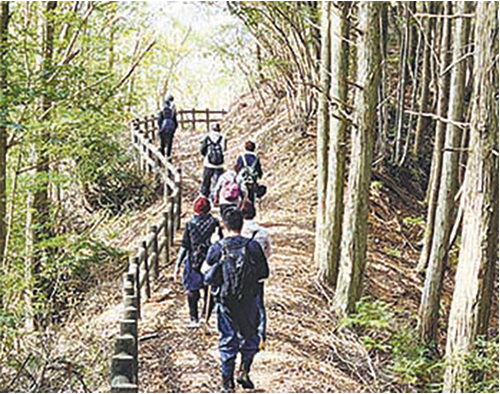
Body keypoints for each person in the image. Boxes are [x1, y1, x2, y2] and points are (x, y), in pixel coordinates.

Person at [203, 208, 269, 392]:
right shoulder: (253, 246)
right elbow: (264, 274)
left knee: (227, 339)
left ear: (223, 226)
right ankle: (244, 370)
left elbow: (205, 272)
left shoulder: (217, 247)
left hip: (225, 302)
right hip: (249, 301)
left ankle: (227, 383)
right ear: (242, 224)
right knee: (250, 337)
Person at [174, 195, 222, 327]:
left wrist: (178, 264)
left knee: (192, 290)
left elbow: (185, 246)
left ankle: (193, 319)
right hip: (210, 260)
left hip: (193, 260)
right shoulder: (215, 222)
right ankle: (204, 317)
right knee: (209, 289)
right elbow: (220, 242)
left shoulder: (190, 224)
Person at [240, 200, 271, 350]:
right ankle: (261, 335)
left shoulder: (238, 232)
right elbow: (269, 253)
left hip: (242, 273)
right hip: (258, 273)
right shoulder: (263, 233)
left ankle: (244, 333)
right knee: (259, 304)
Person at [200, 123, 226, 199]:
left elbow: (202, 149)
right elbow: (224, 149)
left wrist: (206, 155)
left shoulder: (207, 137)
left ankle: (204, 197)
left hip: (208, 163)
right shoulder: (223, 137)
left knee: (206, 181)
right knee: (218, 182)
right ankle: (215, 197)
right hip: (219, 164)